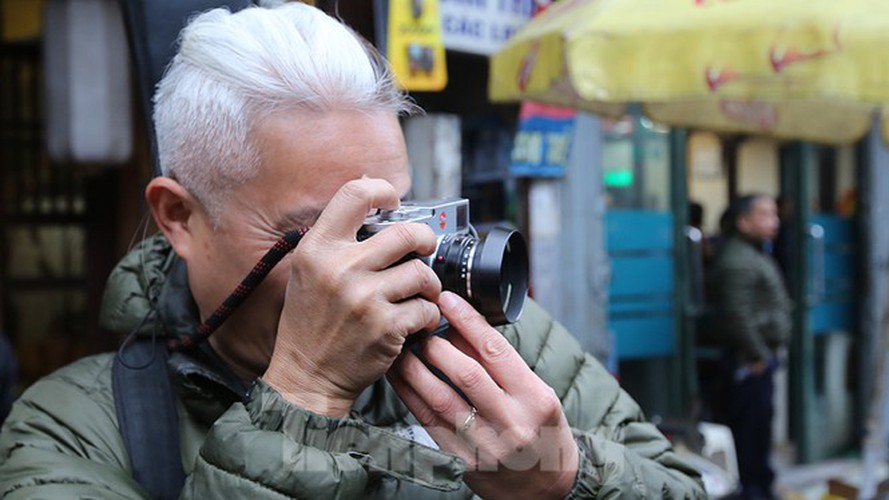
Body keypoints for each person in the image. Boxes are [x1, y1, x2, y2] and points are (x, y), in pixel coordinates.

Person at [0, 3, 705, 498]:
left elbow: (678, 487)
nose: (381, 262)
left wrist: (561, 476)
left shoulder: (483, 342)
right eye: (322, 231)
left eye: (391, 215)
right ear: (179, 217)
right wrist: (306, 391)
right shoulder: (73, 425)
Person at [707, 194, 792, 500]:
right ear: (743, 221)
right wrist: (757, 354)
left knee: (760, 428)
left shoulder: (754, 253)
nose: (775, 221)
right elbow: (737, 315)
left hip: (758, 358)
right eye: (765, 214)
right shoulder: (737, 259)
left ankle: (761, 485)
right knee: (748, 431)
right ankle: (751, 491)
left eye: (774, 213)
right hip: (747, 360)